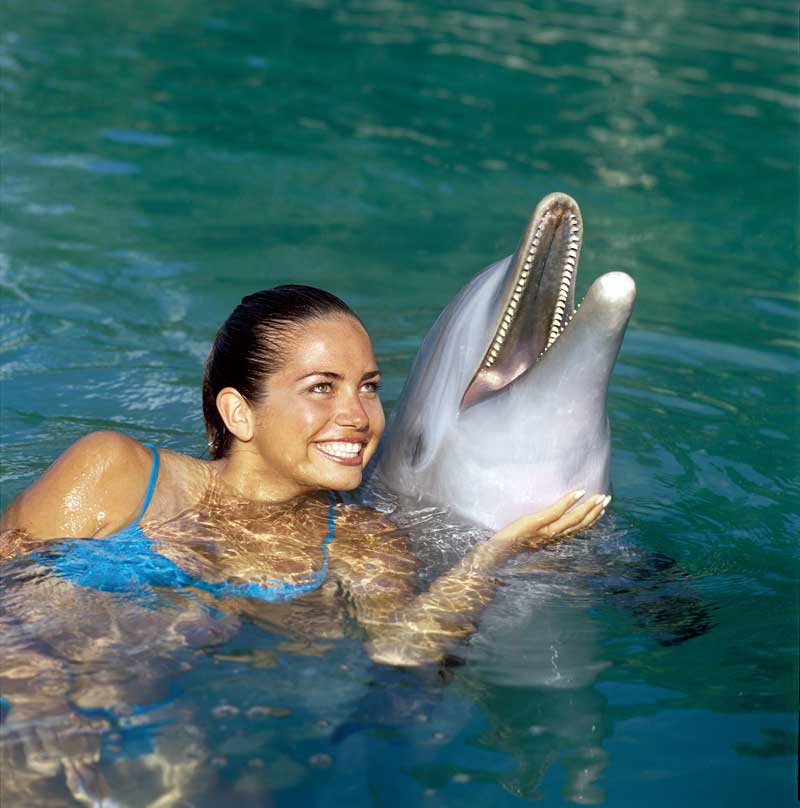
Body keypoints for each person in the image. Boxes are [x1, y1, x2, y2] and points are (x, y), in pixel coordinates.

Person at [0, 285, 609, 666]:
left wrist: (493, 556)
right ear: (239, 412)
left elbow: (401, 652)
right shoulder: (116, 471)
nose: (358, 416)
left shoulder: (363, 541)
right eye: (322, 387)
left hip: (176, 744)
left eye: (368, 388)